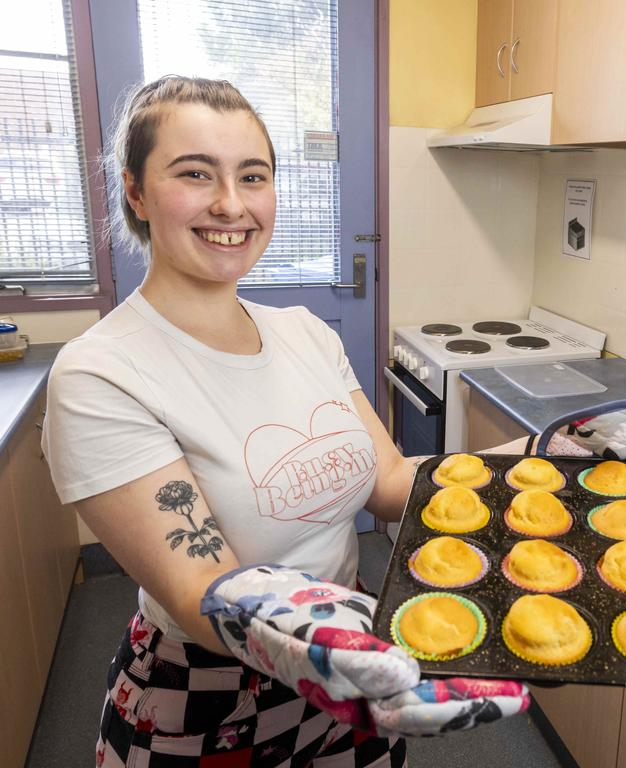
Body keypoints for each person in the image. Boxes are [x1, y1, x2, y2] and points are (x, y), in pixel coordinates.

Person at [41, 76, 528, 768]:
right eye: (195, 174)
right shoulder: (102, 373)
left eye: (253, 176)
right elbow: (196, 586)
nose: (231, 204)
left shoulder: (305, 333)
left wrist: (534, 459)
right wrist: (344, 643)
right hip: (208, 693)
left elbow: (390, 481)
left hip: (359, 667)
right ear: (137, 192)